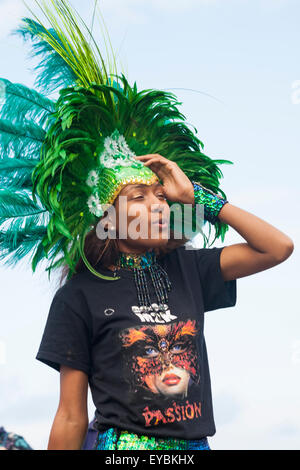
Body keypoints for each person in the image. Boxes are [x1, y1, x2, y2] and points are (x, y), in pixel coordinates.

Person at [0, 0, 294, 451]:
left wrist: (202, 200)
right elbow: (71, 415)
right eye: (138, 197)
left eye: (161, 195)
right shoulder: (79, 295)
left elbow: (278, 248)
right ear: (106, 217)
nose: (157, 204)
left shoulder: (189, 270)